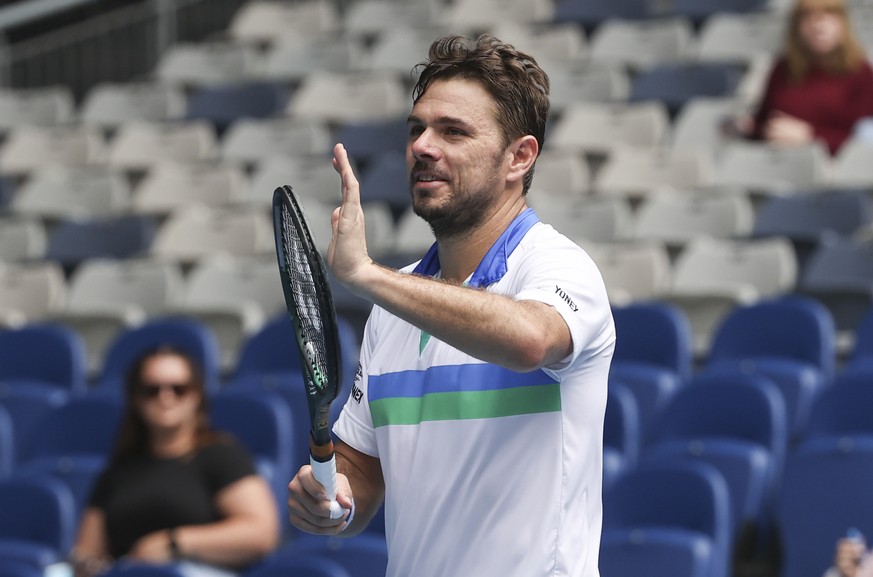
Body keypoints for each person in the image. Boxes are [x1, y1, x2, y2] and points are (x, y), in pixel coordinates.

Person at [287, 34, 616, 577]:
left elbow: (530, 340)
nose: (422, 146)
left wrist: (366, 274)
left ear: (520, 156)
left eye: (453, 131)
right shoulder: (395, 305)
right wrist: (330, 497)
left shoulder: (560, 268)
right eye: (417, 129)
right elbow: (362, 473)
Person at [69, 346, 279, 577]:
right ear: (135, 398)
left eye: (179, 389)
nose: (165, 397)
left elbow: (261, 534)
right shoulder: (119, 469)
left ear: (197, 395)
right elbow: (86, 552)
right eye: (151, 390)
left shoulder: (221, 454)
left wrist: (172, 543)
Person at [733, 0, 873, 155]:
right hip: (779, 158)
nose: (818, 25)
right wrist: (752, 129)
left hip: (837, 167)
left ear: (844, 23)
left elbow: (864, 140)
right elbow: (763, 121)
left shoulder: (860, 72)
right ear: (797, 25)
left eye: (830, 14)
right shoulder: (782, 69)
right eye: (808, 16)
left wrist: (811, 136)